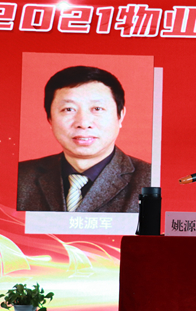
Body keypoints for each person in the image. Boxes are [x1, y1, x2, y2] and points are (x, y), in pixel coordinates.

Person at [17, 66, 151, 212]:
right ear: (49, 118)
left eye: (97, 109)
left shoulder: (150, 179)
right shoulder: (19, 177)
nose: (83, 123)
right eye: (69, 109)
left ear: (120, 116)